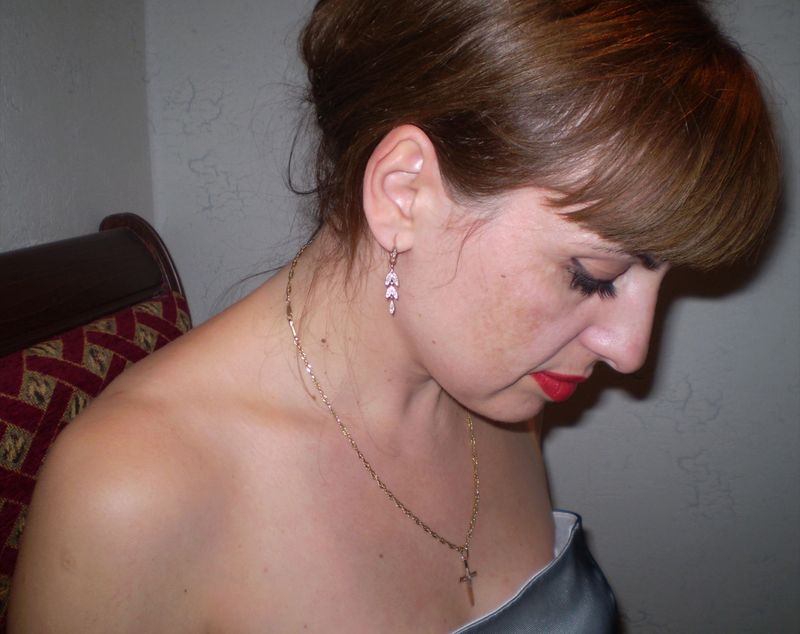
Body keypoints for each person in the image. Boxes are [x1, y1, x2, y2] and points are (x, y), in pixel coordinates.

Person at [8, 0, 779, 632]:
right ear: (405, 193)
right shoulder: (131, 494)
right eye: (593, 275)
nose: (631, 351)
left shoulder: (498, 388)